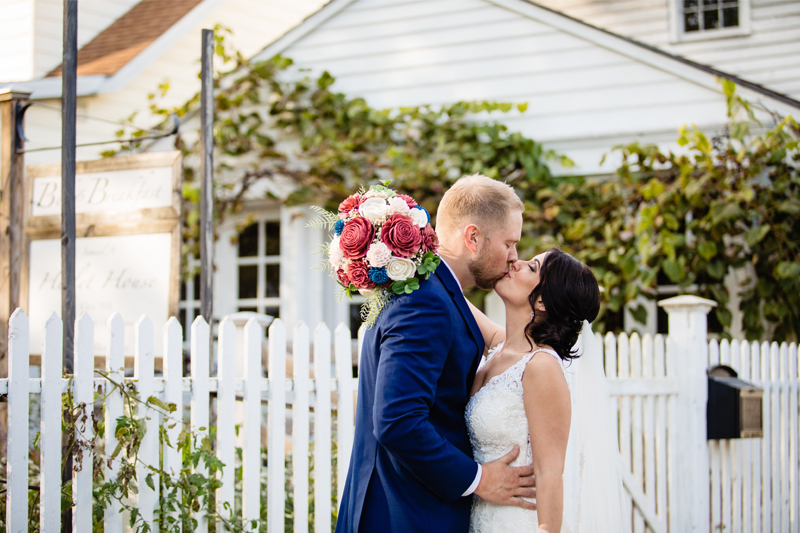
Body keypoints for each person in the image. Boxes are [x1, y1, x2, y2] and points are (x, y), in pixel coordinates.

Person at [335, 174, 538, 533]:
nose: (514, 256)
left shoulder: (434, 292)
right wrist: (478, 480)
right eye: (509, 243)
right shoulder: (426, 301)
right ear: (473, 237)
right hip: (407, 514)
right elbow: (398, 421)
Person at [467, 248, 629, 532]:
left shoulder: (541, 366)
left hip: (516, 522)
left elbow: (550, 472)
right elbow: (450, 293)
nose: (515, 263)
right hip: (477, 516)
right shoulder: (499, 346)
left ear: (542, 300)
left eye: (531, 267)